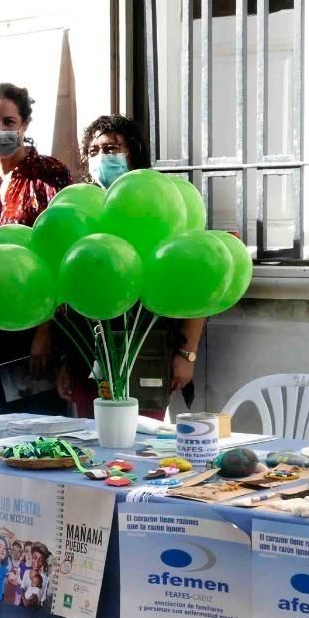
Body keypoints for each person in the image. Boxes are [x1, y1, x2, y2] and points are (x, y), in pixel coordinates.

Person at [59, 115, 204, 420]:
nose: (101, 157)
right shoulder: (81, 209)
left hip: (147, 350)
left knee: (143, 447)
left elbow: (194, 280)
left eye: (111, 148)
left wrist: (186, 354)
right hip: (88, 353)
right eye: (93, 151)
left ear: (133, 152)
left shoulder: (160, 203)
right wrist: (64, 361)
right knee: (92, 448)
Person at [0, 83, 73, 413]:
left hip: (38, 321)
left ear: (25, 125)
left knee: (39, 421)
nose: (0, 130)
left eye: (9, 121)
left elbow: (60, 253)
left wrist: (44, 331)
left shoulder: (49, 175)